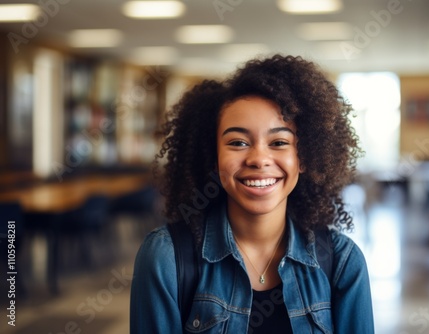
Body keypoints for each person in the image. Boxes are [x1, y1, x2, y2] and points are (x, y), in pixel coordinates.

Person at [130, 55, 374, 333]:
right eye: (238, 142)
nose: (259, 158)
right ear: (214, 157)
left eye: (279, 142)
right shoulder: (165, 257)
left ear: (304, 157)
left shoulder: (342, 262)